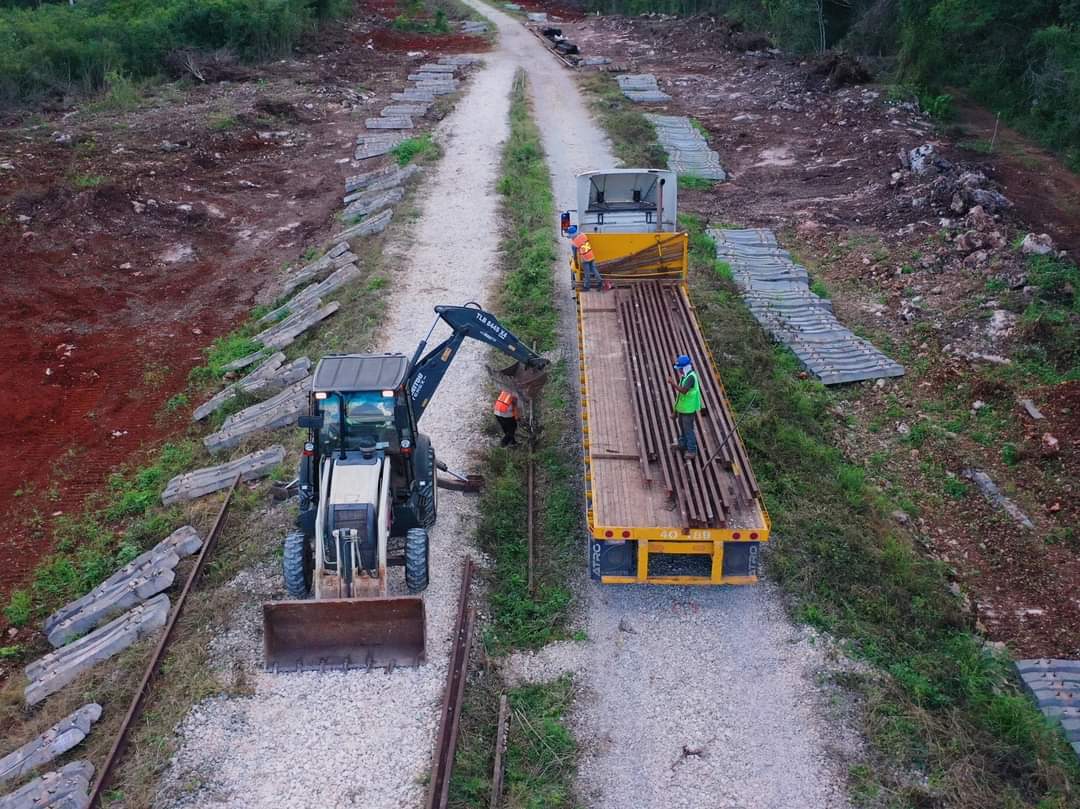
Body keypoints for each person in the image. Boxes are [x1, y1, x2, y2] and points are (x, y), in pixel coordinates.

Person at [669, 354, 701, 459]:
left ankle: (692, 450)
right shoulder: (685, 377)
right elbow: (680, 397)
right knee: (682, 427)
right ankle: (682, 444)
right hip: (683, 409)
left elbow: (683, 391)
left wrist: (673, 384)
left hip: (689, 410)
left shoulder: (691, 377)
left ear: (685, 367)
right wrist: (675, 411)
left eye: (681, 369)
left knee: (688, 429)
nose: (680, 371)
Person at [566, 225, 603, 291]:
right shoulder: (583, 235)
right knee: (594, 269)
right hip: (591, 255)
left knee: (587, 273)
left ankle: (587, 287)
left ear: (571, 235)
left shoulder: (574, 243)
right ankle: (600, 282)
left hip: (585, 258)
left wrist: (575, 260)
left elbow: (574, 254)